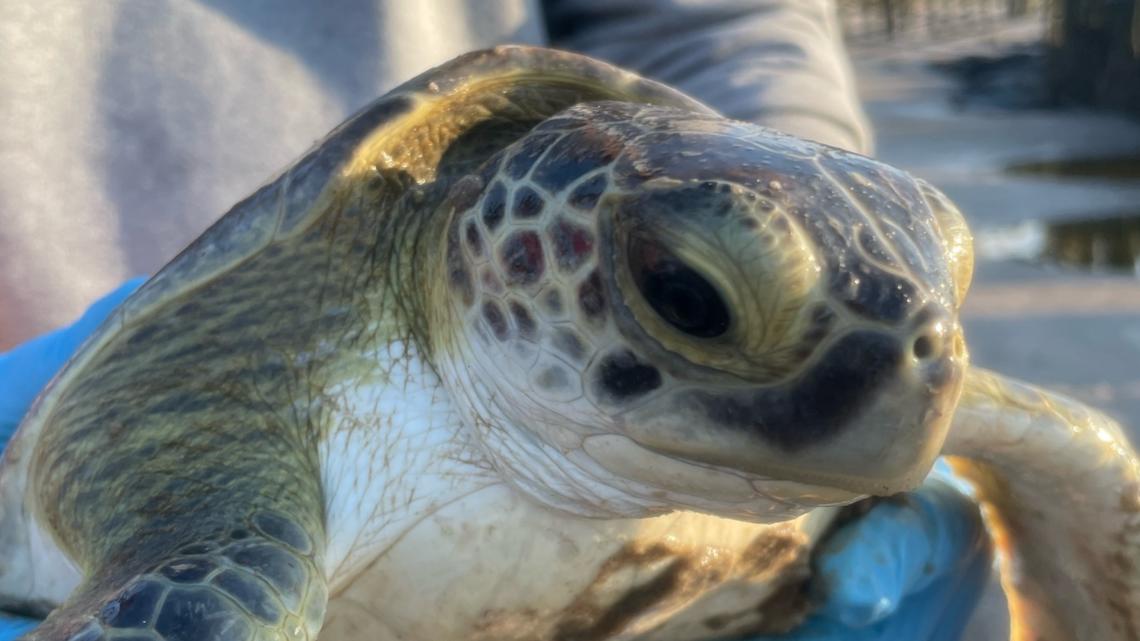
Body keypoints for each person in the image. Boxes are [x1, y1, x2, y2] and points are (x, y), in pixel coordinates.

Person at [0, 1, 993, 639]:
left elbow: (709, 20)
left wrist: (805, 230)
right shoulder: (245, 474)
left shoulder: (863, 359)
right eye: (691, 298)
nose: (925, 376)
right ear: (493, 257)